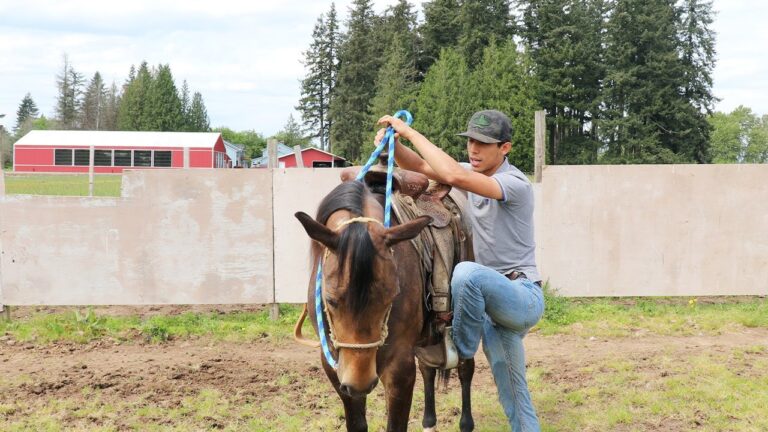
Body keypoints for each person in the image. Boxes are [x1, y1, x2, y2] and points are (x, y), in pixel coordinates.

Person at [376, 110, 545, 431]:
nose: (473, 149)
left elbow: (452, 175)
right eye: (470, 141)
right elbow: (424, 167)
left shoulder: (515, 183)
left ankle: (457, 348)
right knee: (514, 397)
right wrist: (394, 146)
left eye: (482, 143)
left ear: (505, 148)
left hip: (521, 296)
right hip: (491, 311)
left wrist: (409, 132)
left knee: (466, 273)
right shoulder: (472, 173)